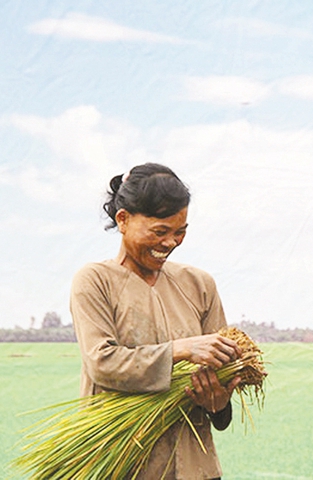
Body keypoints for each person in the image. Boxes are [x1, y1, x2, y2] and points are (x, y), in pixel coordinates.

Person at [71, 162, 241, 480]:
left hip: (195, 468)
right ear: (123, 219)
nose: (170, 243)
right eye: (160, 231)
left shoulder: (199, 284)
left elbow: (222, 372)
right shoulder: (95, 281)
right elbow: (102, 363)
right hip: (122, 465)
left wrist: (218, 402)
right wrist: (180, 349)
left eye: (180, 232)